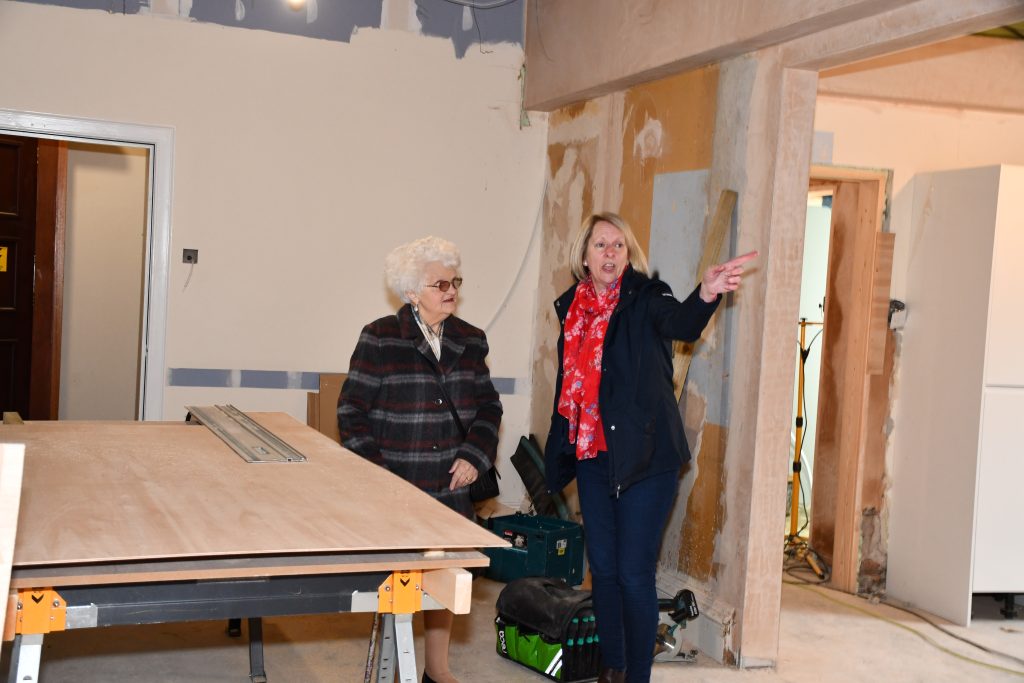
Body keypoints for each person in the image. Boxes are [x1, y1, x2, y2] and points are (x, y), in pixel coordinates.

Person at [544, 212, 755, 683]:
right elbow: (570, 386)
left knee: (635, 574)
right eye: (601, 245)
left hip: (647, 459)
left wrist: (705, 293)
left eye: (619, 245)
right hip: (594, 457)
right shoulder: (572, 309)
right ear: (584, 255)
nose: (611, 253)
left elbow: (681, 322)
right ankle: (614, 669)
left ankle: (637, 676)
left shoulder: (645, 297)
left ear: (628, 254)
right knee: (604, 570)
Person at [338, 235, 502, 683]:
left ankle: (437, 669)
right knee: (400, 584)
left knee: (446, 578)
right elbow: (350, 411)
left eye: (455, 282)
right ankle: (396, 665)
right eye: (439, 284)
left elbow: (490, 408)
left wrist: (475, 455)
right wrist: (379, 477)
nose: (451, 290)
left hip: (451, 483)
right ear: (411, 291)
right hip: (397, 482)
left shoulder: (471, 339)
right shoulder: (380, 337)